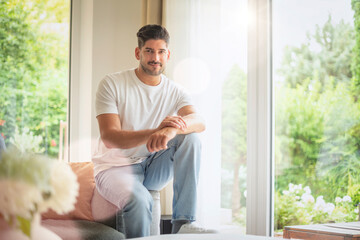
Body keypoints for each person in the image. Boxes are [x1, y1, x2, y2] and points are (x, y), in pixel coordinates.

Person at [92, 24, 215, 238]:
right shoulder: (112, 83)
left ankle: (183, 223)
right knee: (140, 200)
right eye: (149, 51)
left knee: (191, 138)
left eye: (161, 52)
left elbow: (200, 121)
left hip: (152, 166)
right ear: (138, 53)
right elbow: (110, 137)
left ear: (168, 55)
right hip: (114, 168)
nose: (155, 57)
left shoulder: (176, 90)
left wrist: (170, 131)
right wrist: (154, 132)